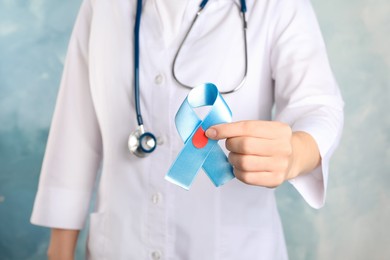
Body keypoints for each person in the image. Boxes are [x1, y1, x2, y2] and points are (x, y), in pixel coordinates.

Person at [31, 0, 344, 259]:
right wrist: (60, 246)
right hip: (120, 244)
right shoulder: (102, 6)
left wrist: (295, 153)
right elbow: (76, 124)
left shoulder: (277, 6)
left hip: (232, 247)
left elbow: (318, 106)